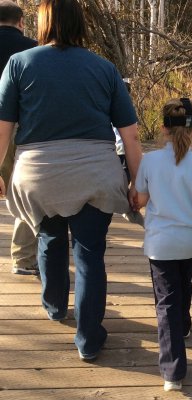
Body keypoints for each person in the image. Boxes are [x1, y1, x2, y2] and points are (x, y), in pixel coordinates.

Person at [0, 0, 142, 361]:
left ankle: (54, 306)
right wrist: (137, 183)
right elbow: (131, 137)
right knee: (90, 254)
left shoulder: (19, 64)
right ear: (81, 23)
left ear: (42, 22)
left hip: (38, 175)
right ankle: (89, 340)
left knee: (49, 237)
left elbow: (3, 130)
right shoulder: (104, 68)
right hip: (96, 172)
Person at [135, 98, 192, 391]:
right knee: (183, 284)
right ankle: (183, 327)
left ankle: (173, 371)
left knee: (166, 300)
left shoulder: (148, 160)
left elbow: (141, 200)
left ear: (162, 129)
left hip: (160, 244)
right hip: (191, 242)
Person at [0, 0, 39, 275]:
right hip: (19, 128)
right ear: (21, 21)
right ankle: (23, 258)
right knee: (24, 189)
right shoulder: (34, 50)